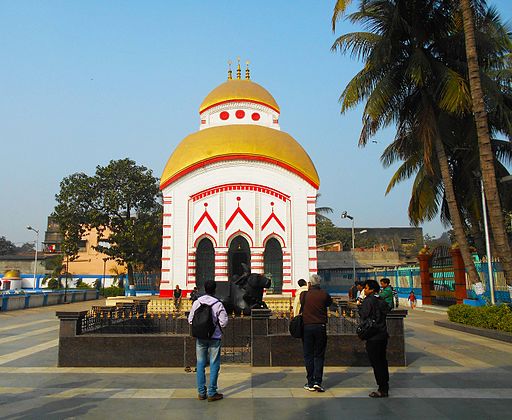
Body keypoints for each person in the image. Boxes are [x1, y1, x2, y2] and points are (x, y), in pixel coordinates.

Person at [188, 279, 228, 402]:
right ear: (215, 289)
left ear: (204, 289)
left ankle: (201, 393)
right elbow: (224, 322)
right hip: (214, 338)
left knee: (200, 364)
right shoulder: (218, 304)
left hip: (200, 337)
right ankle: (212, 392)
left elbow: (190, 320)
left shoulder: (197, 302)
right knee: (214, 363)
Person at [300, 274, 333, 392]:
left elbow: (302, 305)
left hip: (307, 327)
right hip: (320, 326)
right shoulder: (324, 294)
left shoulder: (304, 295)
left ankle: (310, 381)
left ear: (310, 283)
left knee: (308, 355)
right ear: (319, 284)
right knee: (319, 355)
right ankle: (317, 381)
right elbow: (329, 303)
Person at [359, 279, 389, 398]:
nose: (364, 290)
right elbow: (387, 310)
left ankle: (382, 388)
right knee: (382, 361)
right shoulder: (380, 300)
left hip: (373, 336)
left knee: (376, 362)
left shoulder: (368, 300)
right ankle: (384, 385)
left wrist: (360, 306)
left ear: (371, 289)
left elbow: (364, 315)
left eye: (366, 288)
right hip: (382, 334)